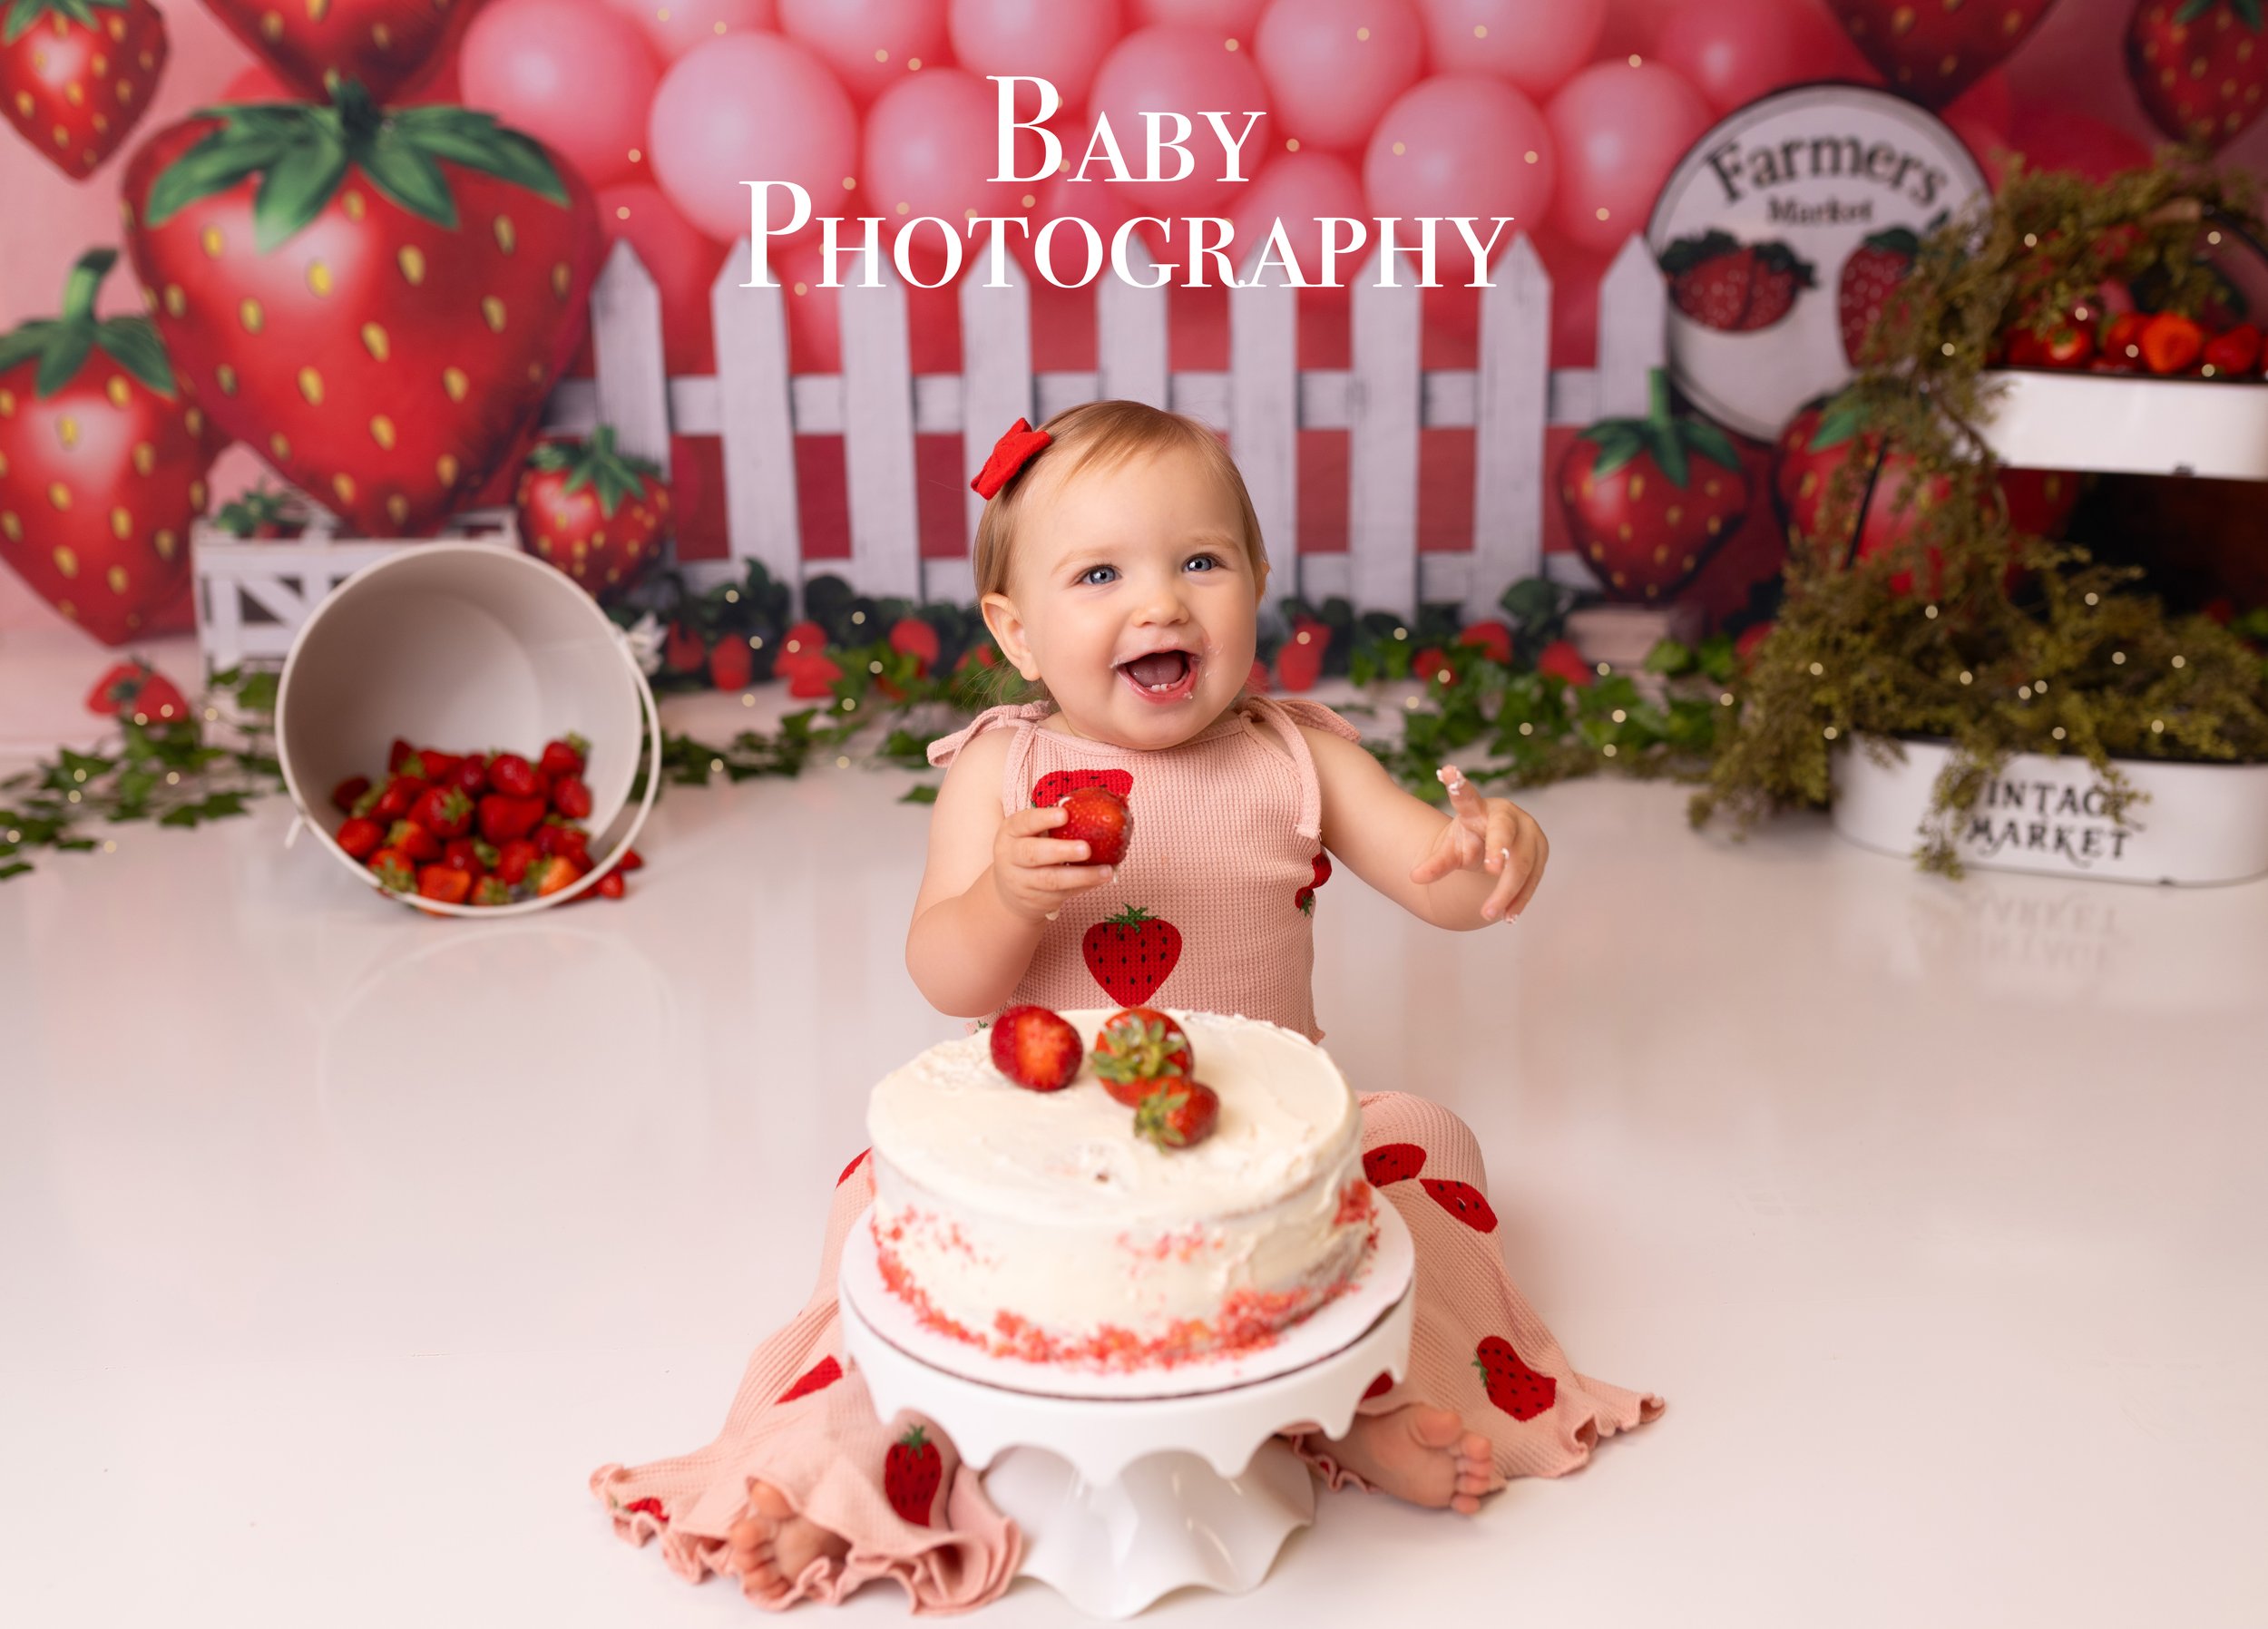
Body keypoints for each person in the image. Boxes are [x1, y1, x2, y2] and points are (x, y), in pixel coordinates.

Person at [591, 401, 1660, 1611]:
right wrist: (1004, 894)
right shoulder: (1005, 772)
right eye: (1099, 574)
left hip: (1255, 1146)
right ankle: (849, 1467)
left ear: (1257, 585)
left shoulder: (1300, 755)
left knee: (1428, 1145)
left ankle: (1365, 1404)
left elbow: (1444, 886)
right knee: (875, 1210)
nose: (1160, 604)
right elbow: (948, 976)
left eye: (1200, 562)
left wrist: (1496, 851)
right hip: (1042, 1142)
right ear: (1018, 630)